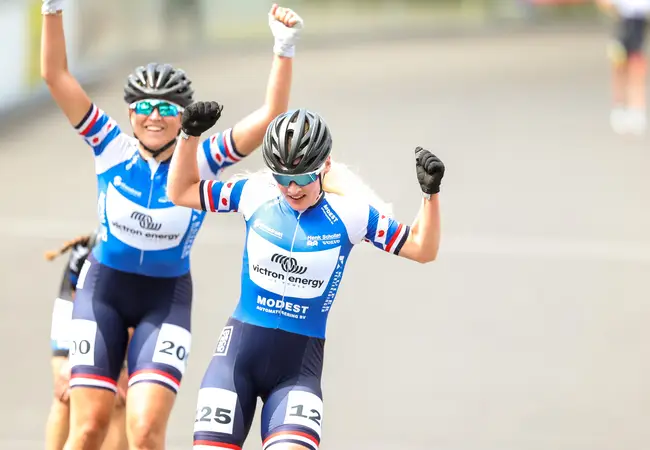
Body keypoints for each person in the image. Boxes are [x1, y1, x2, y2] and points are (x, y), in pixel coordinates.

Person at [40, 0, 304, 448]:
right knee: (87, 428)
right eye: (144, 106)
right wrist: (53, 9)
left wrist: (284, 48)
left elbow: (268, 120)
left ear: (183, 115)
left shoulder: (200, 158)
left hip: (164, 302)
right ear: (130, 114)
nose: (154, 116)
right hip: (102, 293)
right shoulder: (110, 144)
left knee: (145, 431)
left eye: (167, 108)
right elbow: (55, 76)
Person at [167, 102, 445, 450]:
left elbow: (422, 248)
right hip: (235, 362)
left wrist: (430, 196)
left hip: (296, 373)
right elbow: (180, 191)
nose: (293, 189)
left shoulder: (352, 215)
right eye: (283, 178)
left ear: (325, 166)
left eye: (303, 178)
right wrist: (188, 136)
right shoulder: (254, 194)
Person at [44, 230, 129, 450]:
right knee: (66, 393)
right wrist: (72, 358)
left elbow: (135, 319)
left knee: (119, 397)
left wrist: (123, 365)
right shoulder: (88, 253)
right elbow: (82, 307)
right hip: (79, 303)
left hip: (131, 307)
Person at [597, 0, 650, 134]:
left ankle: (637, 108)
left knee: (637, 68)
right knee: (619, 67)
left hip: (638, 22)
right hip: (622, 23)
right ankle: (619, 107)